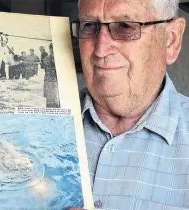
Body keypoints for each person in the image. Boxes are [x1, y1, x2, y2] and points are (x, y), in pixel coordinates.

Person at [69, 0, 187, 209]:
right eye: (89, 25)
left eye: (125, 26)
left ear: (171, 40)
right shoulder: (36, 125)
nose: (101, 49)